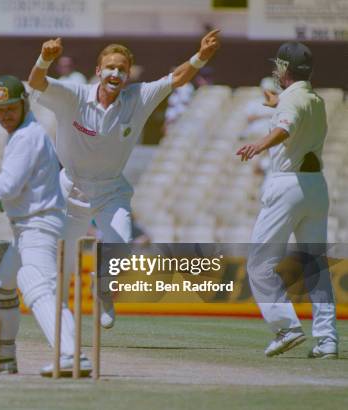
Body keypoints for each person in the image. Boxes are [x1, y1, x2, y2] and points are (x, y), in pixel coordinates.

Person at [28, 31, 221, 329]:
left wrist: (201, 56)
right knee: (62, 259)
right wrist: (45, 59)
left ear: (128, 75)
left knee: (121, 243)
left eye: (122, 69)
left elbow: (178, 78)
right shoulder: (74, 95)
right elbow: (37, 83)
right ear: (98, 71)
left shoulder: (138, 97)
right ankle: (60, 318)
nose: (115, 73)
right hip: (70, 188)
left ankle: (103, 290)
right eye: (110, 67)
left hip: (110, 188)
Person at [0, 75, 89, 377]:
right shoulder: (21, 134)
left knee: (36, 283)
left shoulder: (27, 135)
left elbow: (7, 185)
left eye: (10, 108)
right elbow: (15, 192)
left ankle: (73, 355)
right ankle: (2, 356)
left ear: (23, 103)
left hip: (40, 225)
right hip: (27, 224)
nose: (5, 115)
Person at [236, 42, 337, 359]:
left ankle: (287, 327)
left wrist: (259, 145)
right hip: (316, 187)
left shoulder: (291, 101)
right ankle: (327, 339)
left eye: (277, 66)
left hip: (287, 183)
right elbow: (293, 109)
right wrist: (276, 103)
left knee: (259, 264)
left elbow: (285, 126)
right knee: (315, 266)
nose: (275, 71)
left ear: (283, 68)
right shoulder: (314, 98)